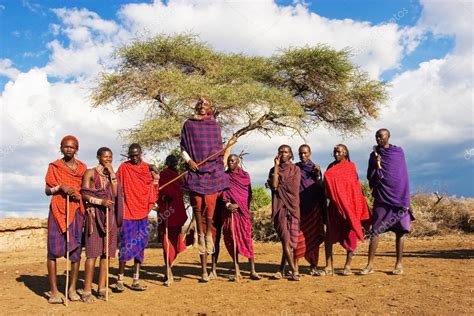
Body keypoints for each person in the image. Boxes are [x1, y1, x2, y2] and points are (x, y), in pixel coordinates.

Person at [180, 97, 229, 282]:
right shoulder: (188, 125)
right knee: (198, 211)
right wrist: (189, 161)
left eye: (205, 105)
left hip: (213, 172)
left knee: (210, 214)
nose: (202, 108)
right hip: (195, 171)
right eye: (199, 105)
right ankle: (202, 264)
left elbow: (219, 149)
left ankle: (209, 241)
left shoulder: (214, 125)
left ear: (210, 108)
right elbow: (183, 147)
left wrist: (217, 161)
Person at [361, 128, 414, 275]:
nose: (379, 139)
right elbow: (370, 177)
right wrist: (377, 166)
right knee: (375, 231)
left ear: (388, 137)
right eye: (377, 137)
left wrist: (405, 200)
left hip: (400, 198)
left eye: (382, 137)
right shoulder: (374, 155)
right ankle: (369, 265)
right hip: (382, 197)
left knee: (401, 232)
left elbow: (401, 176)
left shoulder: (398, 152)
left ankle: (398, 265)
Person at [44, 135, 87, 303]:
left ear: (76, 149)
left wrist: (77, 195)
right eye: (65, 146)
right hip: (57, 210)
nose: (69, 149)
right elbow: (47, 190)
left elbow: (86, 189)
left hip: (76, 210)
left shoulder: (83, 168)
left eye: (72, 147)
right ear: (61, 148)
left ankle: (72, 288)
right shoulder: (54, 166)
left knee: (76, 251)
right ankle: (54, 291)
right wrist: (60, 187)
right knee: (53, 250)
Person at [80, 147, 123, 302]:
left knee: (106, 253)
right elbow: (84, 194)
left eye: (110, 157)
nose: (108, 160)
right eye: (105, 157)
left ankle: (102, 287)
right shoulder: (90, 172)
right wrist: (100, 201)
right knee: (92, 253)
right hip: (94, 216)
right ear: (98, 157)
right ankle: (86, 290)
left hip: (108, 217)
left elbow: (116, 194)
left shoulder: (112, 175)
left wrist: (112, 173)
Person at [321, 144, 370, 276]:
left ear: (345, 153)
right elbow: (327, 186)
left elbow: (354, 187)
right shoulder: (330, 168)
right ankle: (328, 266)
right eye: (335, 152)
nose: (337, 154)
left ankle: (347, 266)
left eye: (339, 152)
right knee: (329, 237)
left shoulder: (350, 167)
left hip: (349, 207)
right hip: (334, 207)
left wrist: (357, 206)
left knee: (351, 236)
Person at [115, 143, 159, 291]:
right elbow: (116, 186)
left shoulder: (147, 168)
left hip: (142, 213)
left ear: (141, 153)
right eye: (131, 155)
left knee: (140, 246)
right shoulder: (123, 168)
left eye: (137, 155)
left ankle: (135, 279)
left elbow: (153, 186)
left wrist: (154, 173)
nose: (134, 158)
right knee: (126, 245)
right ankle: (120, 279)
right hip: (128, 212)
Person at [221, 154, 261, 281]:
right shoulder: (225, 176)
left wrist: (240, 205)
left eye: (233, 160)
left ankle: (252, 270)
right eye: (229, 161)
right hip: (231, 214)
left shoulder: (245, 176)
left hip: (243, 213)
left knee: (247, 240)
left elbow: (248, 195)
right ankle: (237, 270)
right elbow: (223, 194)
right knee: (232, 240)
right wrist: (228, 204)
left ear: (238, 162)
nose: (230, 162)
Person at [267, 145, 301, 281]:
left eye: (286, 152)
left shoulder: (295, 169)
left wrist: (280, 185)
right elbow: (275, 185)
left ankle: (280, 270)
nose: (283, 154)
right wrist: (275, 166)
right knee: (285, 240)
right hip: (279, 207)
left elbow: (294, 188)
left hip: (293, 207)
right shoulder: (272, 170)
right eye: (281, 151)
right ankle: (294, 271)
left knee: (288, 242)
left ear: (291, 154)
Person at [294, 145, 326, 275]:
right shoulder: (295, 168)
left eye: (305, 153)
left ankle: (313, 265)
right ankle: (295, 266)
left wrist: (318, 175)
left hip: (313, 208)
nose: (303, 156)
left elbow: (320, 187)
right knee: (296, 237)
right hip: (299, 208)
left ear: (310, 154)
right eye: (300, 153)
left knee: (312, 238)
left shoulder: (315, 169)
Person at [158, 155, 188, 286]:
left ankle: (168, 272)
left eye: (175, 161)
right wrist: (163, 197)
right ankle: (168, 272)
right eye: (171, 161)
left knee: (175, 243)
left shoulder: (178, 176)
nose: (174, 163)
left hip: (177, 212)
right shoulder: (163, 174)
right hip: (167, 212)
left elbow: (181, 192)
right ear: (166, 162)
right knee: (167, 244)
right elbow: (157, 191)